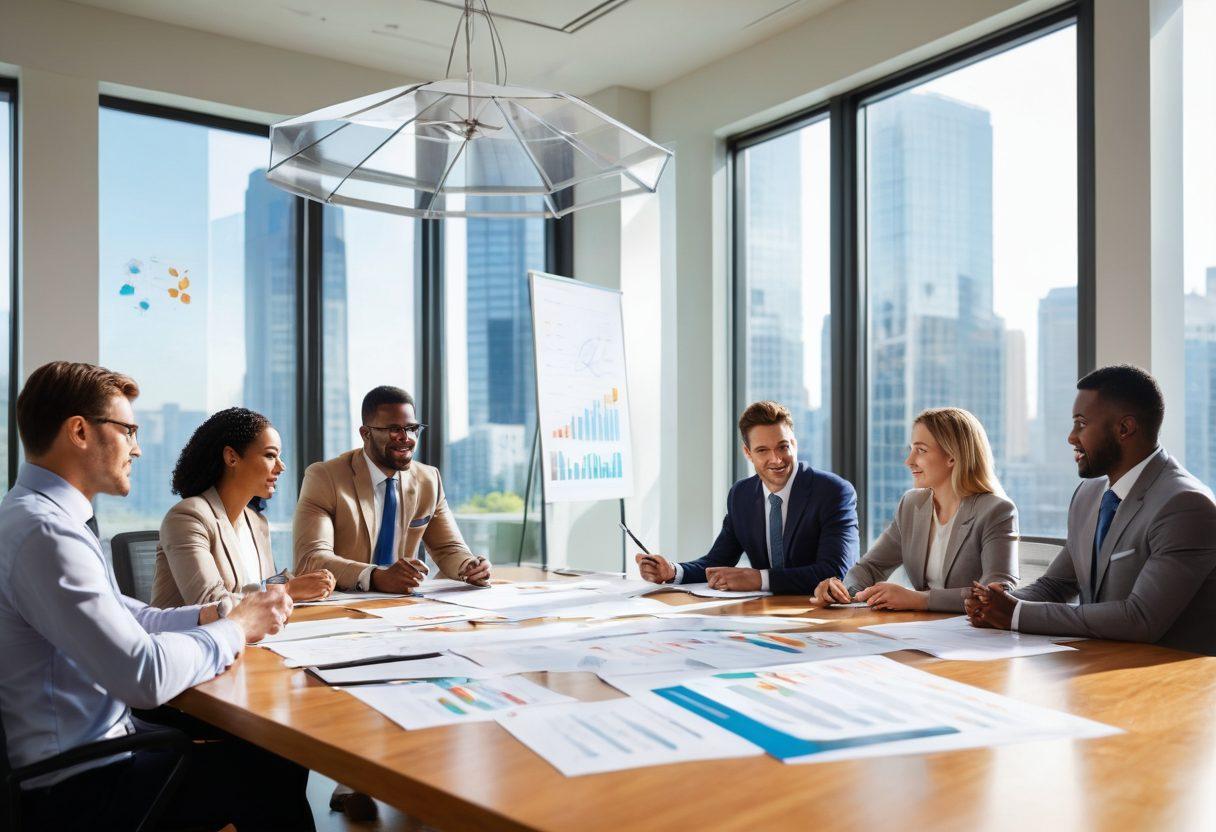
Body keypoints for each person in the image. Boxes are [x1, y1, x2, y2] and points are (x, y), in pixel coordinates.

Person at [0, 361, 312, 830]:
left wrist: (217, 612)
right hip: (82, 788)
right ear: (80, 431)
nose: (138, 448)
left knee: (264, 752)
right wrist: (237, 628)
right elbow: (141, 674)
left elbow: (135, 617)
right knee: (273, 765)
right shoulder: (46, 534)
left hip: (102, 751)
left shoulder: (41, 518)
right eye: (129, 430)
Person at [966, 365, 1216, 656]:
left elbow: (1141, 619)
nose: (1071, 437)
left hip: (1168, 683)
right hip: (1095, 665)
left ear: (1124, 428)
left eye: (1081, 424)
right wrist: (993, 603)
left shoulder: (1185, 505)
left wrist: (1017, 614)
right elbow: (1054, 587)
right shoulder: (1088, 494)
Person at [636, 400, 858, 594]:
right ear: (748, 453)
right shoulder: (740, 495)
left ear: (794, 444)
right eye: (762, 450)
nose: (776, 459)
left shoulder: (833, 492)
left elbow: (835, 571)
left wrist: (758, 579)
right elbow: (718, 561)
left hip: (820, 613)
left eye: (783, 447)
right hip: (764, 615)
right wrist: (672, 571)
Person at [812, 407, 1018, 612]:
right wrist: (842, 592)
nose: (909, 461)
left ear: (952, 457)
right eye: (910, 449)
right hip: (919, 629)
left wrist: (919, 599)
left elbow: (997, 594)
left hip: (972, 636)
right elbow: (870, 568)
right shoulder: (912, 504)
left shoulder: (996, 511)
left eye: (921, 450)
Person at [152, 407, 335, 609]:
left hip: (250, 637)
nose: (281, 467)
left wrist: (305, 581)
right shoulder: (187, 518)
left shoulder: (256, 522)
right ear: (232, 457)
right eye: (270, 456)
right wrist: (288, 589)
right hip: (191, 639)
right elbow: (210, 604)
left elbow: (262, 585)